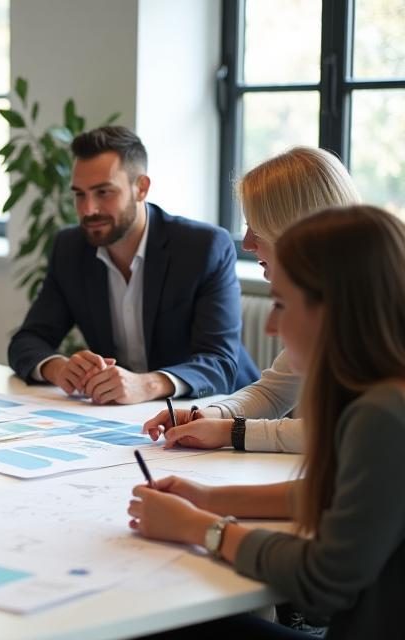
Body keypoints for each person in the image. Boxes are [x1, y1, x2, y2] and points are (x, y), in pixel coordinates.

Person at [128, 205, 405, 639]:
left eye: (280, 304)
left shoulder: (383, 414)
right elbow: (342, 496)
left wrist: (200, 528)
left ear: (332, 310)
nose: (272, 326)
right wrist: (208, 498)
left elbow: (322, 583)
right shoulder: (386, 393)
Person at [8, 125, 258, 404]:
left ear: (141, 188)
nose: (88, 209)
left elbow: (220, 363)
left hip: (223, 411)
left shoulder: (203, 247)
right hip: (129, 419)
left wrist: (148, 384)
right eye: (79, 194)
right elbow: (26, 342)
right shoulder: (71, 248)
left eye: (103, 192)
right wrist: (59, 368)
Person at [142, 147, 360, 452]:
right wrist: (203, 416)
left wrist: (232, 432)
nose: (246, 244)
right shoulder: (321, 299)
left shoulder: (368, 308)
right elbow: (273, 393)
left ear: (295, 228)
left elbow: (346, 432)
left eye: (256, 228)